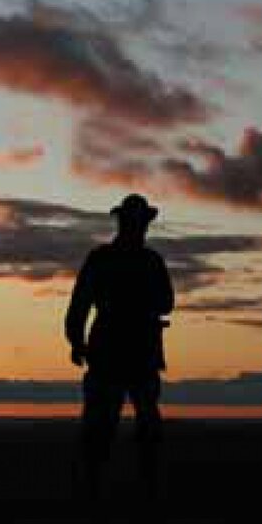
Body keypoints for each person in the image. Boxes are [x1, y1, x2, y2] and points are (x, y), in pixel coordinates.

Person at [65, 193, 174, 500]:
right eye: (139, 223)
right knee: (121, 423)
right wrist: (76, 340)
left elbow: (80, 306)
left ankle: (106, 486)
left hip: (115, 351)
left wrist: (77, 341)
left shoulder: (103, 259)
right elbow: (166, 303)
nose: (140, 228)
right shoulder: (148, 261)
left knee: (111, 423)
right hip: (130, 351)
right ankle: (127, 486)